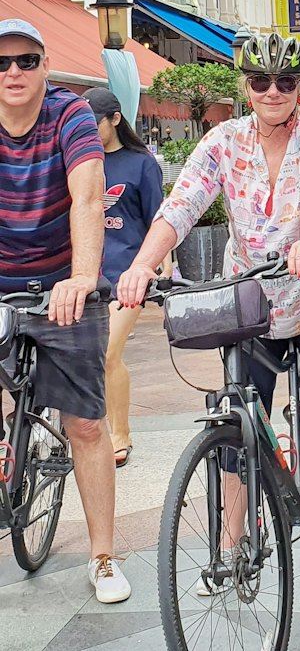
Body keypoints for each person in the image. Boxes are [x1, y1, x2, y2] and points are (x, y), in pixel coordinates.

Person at [116, 33, 300, 600]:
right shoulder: (223, 140)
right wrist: (142, 266)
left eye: (285, 82)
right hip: (255, 302)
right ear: (246, 87)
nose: (273, 92)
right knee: (236, 421)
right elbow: (183, 204)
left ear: (299, 88)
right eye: (261, 82)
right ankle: (229, 549)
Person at [0, 21, 130, 602]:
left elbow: (86, 192)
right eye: (1, 65)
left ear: (45, 65)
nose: (13, 74)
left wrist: (81, 277)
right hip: (4, 278)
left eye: (26, 62)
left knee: (84, 423)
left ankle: (102, 556)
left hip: (62, 280)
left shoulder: (70, 114)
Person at [85, 88, 165, 469]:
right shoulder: (80, 160)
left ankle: (120, 434)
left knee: (108, 352)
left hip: (128, 276)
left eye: (93, 123)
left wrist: (158, 263)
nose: (87, 130)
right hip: (84, 276)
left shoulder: (141, 164)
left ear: (115, 119)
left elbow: (160, 218)